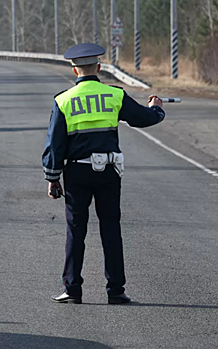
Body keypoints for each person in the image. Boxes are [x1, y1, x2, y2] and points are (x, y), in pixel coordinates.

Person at [42, 43, 165, 304]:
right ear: (98, 68)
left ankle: (72, 290)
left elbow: (55, 143)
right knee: (111, 229)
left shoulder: (63, 100)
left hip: (77, 172)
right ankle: (116, 291)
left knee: (76, 231)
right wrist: (156, 108)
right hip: (109, 171)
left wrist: (53, 178)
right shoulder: (114, 95)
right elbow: (143, 117)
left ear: (74, 70)